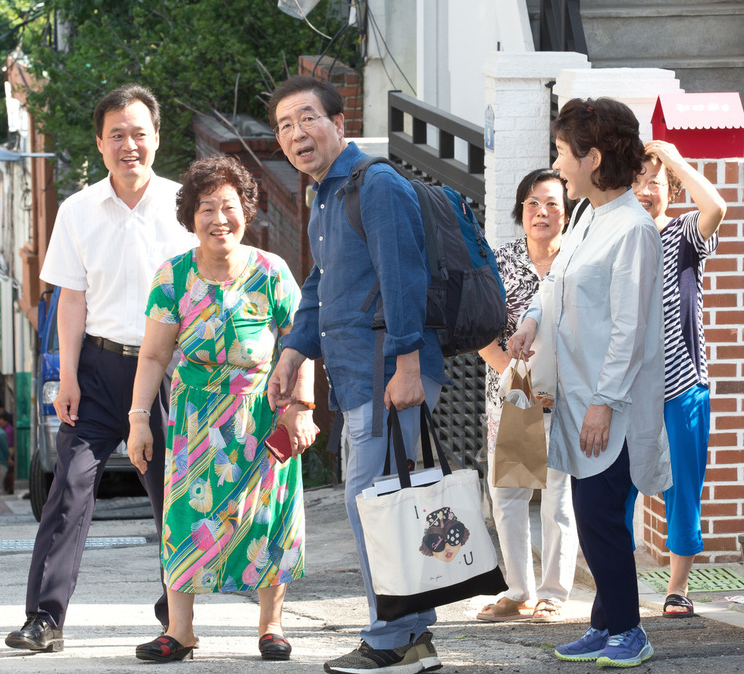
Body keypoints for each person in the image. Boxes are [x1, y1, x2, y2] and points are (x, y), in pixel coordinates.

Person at [5, 83, 196, 653]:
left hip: (167, 370)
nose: (129, 145)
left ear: (157, 139)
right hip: (96, 368)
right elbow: (71, 299)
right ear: (100, 143)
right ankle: (44, 618)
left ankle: (174, 615)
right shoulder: (78, 209)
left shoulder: (186, 204)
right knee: (70, 487)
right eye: (117, 135)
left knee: (172, 497)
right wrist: (66, 376)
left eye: (139, 133)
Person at [266, 75, 446, 674]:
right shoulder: (325, 195)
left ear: (339, 124)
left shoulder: (377, 185)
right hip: (355, 375)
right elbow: (321, 284)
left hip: (387, 375)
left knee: (370, 505)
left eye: (307, 119)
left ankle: (391, 637)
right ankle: (413, 634)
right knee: (386, 505)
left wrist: (409, 365)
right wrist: (294, 350)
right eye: (285, 126)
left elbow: (404, 279)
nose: (296, 134)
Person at [127, 155, 316, 663]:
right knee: (186, 518)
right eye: (206, 208)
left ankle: (271, 626)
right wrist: (139, 418)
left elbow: (302, 343)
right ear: (191, 217)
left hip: (264, 416)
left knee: (269, 518)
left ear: (246, 212)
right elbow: (153, 355)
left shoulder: (271, 272)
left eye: (228, 207)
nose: (218, 219)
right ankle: (180, 631)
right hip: (195, 421)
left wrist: (302, 407)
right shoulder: (173, 277)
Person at [508, 97, 670, 668]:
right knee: (591, 510)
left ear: (593, 156)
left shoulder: (633, 228)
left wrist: (605, 401)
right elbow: (553, 287)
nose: (558, 162)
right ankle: (606, 624)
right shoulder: (587, 219)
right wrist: (530, 321)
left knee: (600, 516)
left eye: (562, 152)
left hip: (612, 405)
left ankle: (630, 631)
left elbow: (630, 327)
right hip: (582, 398)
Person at [476, 169, 579, 624]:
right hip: (513, 398)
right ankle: (518, 591)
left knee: (559, 497)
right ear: (521, 212)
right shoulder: (499, 263)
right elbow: (481, 333)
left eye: (552, 203)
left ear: (567, 211)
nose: (542, 212)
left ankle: (554, 593)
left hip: (569, 398)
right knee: (510, 495)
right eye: (533, 203)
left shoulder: (579, 260)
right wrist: (518, 382)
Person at [634, 140, 725, 618]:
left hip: (682, 385)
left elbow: (716, 205)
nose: (646, 190)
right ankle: (617, 583)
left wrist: (674, 160)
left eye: (656, 182)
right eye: (638, 181)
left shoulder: (684, 233)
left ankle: (677, 587)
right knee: (617, 487)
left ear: (669, 189)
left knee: (682, 489)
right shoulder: (619, 238)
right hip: (628, 390)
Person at [0, 411, 15, 496]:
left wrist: (8, 458)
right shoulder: (3, 429)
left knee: (2, 483)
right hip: (5, 458)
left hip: (6, 458)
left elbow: (10, 447)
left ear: (2, 419)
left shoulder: (7, 430)